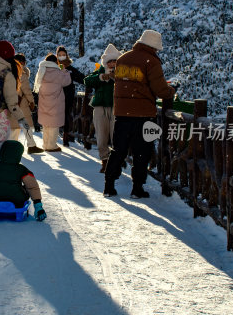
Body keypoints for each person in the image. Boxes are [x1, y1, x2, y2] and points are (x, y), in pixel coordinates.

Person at [103, 30, 175, 199]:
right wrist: (171, 91)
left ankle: (109, 185)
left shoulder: (123, 58)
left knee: (118, 150)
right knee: (141, 151)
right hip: (143, 114)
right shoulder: (151, 61)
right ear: (153, 47)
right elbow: (160, 89)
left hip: (122, 113)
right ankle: (137, 188)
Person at [0, 140, 47, 222]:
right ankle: (39, 209)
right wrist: (38, 204)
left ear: (2, 152)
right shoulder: (22, 169)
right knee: (28, 186)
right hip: (17, 201)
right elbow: (32, 187)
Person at [83, 43, 121, 172]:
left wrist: (116, 78)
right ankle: (104, 160)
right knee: (101, 137)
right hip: (99, 107)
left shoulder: (122, 72)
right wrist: (101, 77)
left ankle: (116, 162)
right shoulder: (100, 71)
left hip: (116, 108)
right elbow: (87, 81)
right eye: (110, 61)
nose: (112, 64)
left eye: (115, 61)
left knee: (115, 136)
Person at [33, 54, 71, 152]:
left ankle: (45, 144)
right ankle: (52, 146)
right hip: (56, 103)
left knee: (46, 125)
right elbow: (67, 82)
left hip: (44, 101)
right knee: (54, 125)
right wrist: (64, 71)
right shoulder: (58, 72)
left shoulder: (42, 71)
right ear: (56, 62)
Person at [11, 53, 43, 154]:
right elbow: (26, 90)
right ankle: (31, 146)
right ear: (23, 63)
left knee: (14, 127)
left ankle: (11, 147)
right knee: (26, 126)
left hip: (11, 102)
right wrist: (32, 102)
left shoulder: (9, 72)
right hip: (22, 104)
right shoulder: (22, 73)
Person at [55, 45, 84, 146]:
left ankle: (66, 137)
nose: (62, 57)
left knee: (67, 115)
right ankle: (54, 135)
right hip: (56, 96)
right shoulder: (54, 67)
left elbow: (81, 78)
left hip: (68, 96)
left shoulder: (70, 68)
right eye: (60, 55)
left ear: (67, 56)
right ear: (57, 56)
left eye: (63, 55)